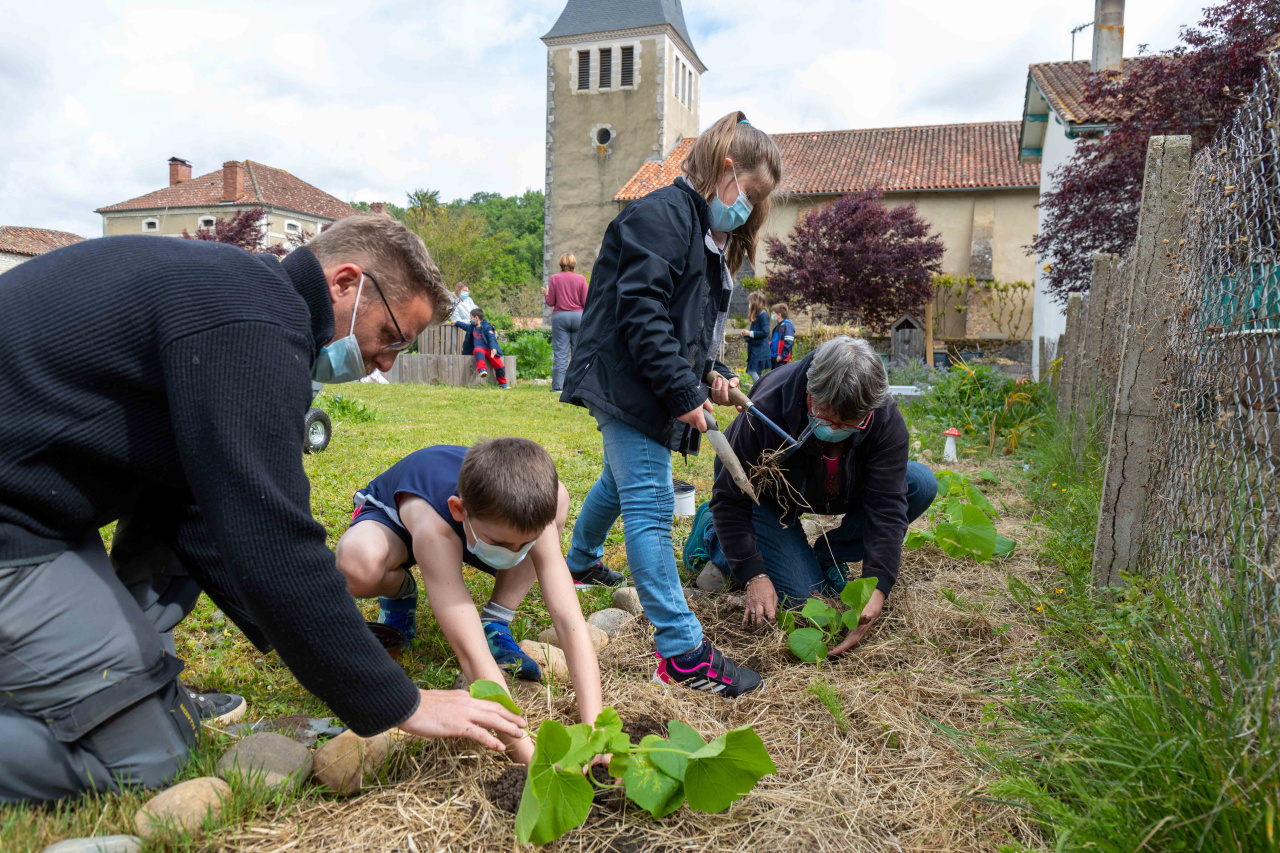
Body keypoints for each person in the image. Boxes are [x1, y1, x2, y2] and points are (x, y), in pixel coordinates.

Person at [0, 216, 527, 803]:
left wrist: (315, 634)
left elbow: (200, 508)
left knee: (181, 511)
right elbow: (270, 537)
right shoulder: (254, 320)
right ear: (347, 283)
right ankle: (122, 718)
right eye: (392, 336)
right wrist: (400, 701)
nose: (385, 363)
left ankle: (138, 690)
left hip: (36, 497)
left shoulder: (243, 295)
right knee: (143, 759)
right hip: (16, 523)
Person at [558, 111, 783, 697]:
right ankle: (682, 650)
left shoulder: (700, 232)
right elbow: (641, 313)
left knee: (618, 479)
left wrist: (712, 374)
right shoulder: (659, 213)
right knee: (652, 502)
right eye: (750, 194)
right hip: (628, 381)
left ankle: (579, 561)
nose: (747, 209)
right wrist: (682, 391)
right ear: (726, 168)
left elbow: (686, 330)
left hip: (649, 381)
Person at [333, 439, 603, 764]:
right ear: (459, 510)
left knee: (557, 498)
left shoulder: (527, 517)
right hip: (398, 523)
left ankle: (496, 619)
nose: (517, 554)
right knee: (356, 566)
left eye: (525, 544)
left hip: (482, 522)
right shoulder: (435, 527)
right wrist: (532, 760)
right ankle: (400, 590)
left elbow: (569, 621)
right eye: (502, 543)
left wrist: (596, 732)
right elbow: (471, 655)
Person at [698, 337, 937, 652]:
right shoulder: (767, 409)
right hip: (769, 499)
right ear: (810, 393)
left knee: (919, 482)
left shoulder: (882, 417)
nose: (835, 429)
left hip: (833, 490)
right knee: (803, 600)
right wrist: (753, 575)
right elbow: (730, 498)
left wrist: (879, 586)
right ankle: (713, 536)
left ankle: (830, 553)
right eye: (826, 417)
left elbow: (887, 507)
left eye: (849, 423)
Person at [543, 253, 588, 392]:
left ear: (561, 263)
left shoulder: (554, 279)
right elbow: (586, 302)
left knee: (561, 353)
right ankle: (578, 386)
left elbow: (550, 302)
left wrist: (546, 293)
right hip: (578, 317)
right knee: (578, 352)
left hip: (560, 317)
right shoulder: (581, 279)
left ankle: (558, 386)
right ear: (574, 264)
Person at [457, 307, 509, 389]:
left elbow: (491, 337)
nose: (470, 319)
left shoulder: (487, 327)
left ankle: (503, 383)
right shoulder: (472, 327)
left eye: (471, 317)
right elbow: (465, 326)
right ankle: (482, 370)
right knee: (478, 351)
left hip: (489, 349)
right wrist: (457, 322)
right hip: (479, 348)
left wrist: (493, 348)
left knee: (499, 365)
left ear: (476, 318)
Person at [739, 291, 771, 382]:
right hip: (755, 350)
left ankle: (761, 389)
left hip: (760, 351)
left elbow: (765, 332)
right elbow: (755, 333)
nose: (749, 304)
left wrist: (749, 333)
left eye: (750, 302)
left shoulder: (763, 315)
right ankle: (761, 392)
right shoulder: (757, 315)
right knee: (757, 373)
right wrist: (746, 335)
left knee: (752, 371)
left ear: (754, 302)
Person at [770, 303, 795, 369]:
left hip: (780, 358)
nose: (772, 315)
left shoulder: (787, 326)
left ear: (779, 315)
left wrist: (782, 356)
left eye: (773, 313)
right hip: (774, 356)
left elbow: (789, 342)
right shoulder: (778, 326)